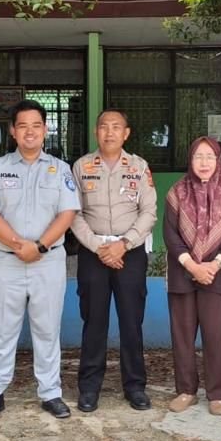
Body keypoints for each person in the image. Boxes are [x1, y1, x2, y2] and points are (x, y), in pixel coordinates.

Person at [0, 100, 80, 421]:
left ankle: (50, 393)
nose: (30, 132)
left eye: (36, 125)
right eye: (23, 126)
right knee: (1, 330)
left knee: (47, 329)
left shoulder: (60, 169)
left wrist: (40, 246)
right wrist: (20, 245)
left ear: (45, 130)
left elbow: (67, 213)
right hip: (7, 261)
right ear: (13, 131)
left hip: (47, 262)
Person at [70, 109, 158, 412]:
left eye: (116, 127)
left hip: (129, 253)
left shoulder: (139, 167)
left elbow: (149, 212)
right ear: (96, 132)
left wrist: (124, 244)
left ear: (126, 133)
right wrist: (99, 247)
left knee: (132, 322)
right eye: (104, 127)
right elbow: (74, 213)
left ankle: (135, 386)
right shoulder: (81, 167)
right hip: (93, 253)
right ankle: (89, 388)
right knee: (94, 321)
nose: (109, 132)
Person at [164, 137, 221, 415]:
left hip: (217, 276)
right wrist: (193, 266)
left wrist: (213, 265)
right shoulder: (177, 192)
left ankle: (216, 394)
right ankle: (186, 390)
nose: (204, 162)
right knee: (183, 337)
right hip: (183, 275)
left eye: (210, 157)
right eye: (198, 156)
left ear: (218, 161)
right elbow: (171, 234)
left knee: (216, 337)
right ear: (190, 160)